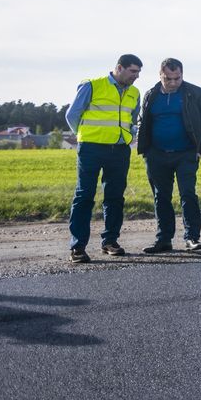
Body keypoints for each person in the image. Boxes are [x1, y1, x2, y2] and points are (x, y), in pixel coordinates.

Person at [64, 54, 143, 263]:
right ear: (119, 67)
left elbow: (132, 120)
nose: (136, 76)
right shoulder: (92, 85)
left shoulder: (135, 93)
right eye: (133, 71)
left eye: (138, 72)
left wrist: (130, 137)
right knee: (84, 196)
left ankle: (110, 242)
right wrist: (83, 136)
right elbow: (72, 115)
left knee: (115, 197)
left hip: (119, 150)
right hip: (91, 149)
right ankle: (78, 247)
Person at [137, 58, 201, 254]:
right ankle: (164, 239)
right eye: (168, 79)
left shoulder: (195, 93)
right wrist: (146, 150)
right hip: (156, 155)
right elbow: (142, 121)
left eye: (177, 78)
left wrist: (200, 150)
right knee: (161, 197)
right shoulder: (151, 94)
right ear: (160, 75)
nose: (173, 82)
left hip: (186, 154)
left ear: (182, 74)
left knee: (187, 194)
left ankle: (191, 238)